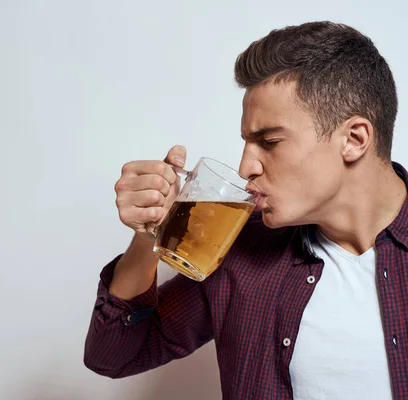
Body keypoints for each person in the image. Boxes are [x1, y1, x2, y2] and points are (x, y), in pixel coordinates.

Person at [83, 21, 408, 399]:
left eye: (269, 141)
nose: (245, 167)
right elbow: (114, 357)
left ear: (354, 139)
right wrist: (146, 238)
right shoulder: (239, 250)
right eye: (247, 142)